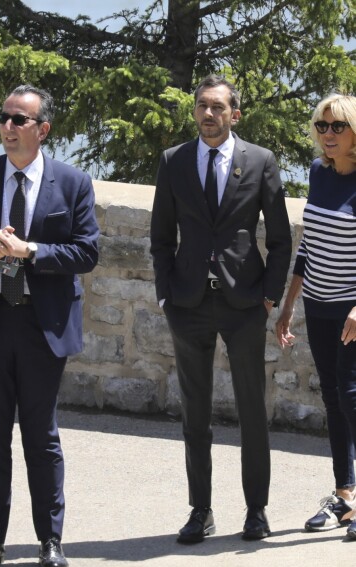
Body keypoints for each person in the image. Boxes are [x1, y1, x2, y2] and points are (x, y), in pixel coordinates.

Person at [0, 85, 99, 567]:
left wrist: (30, 251)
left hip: (42, 325)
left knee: (40, 437)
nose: (7, 128)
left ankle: (49, 541)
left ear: (42, 129)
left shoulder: (72, 183)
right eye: (3, 118)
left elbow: (86, 252)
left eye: (19, 120)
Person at [150, 74, 292, 543]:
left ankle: (256, 510)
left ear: (235, 114)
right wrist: (166, 293)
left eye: (217, 107)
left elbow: (279, 237)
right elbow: (160, 236)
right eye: (202, 106)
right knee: (195, 413)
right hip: (188, 303)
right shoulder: (174, 161)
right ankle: (200, 510)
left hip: (244, 302)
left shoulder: (260, 161)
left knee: (252, 409)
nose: (208, 115)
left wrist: (269, 296)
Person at [275, 94, 356, 539]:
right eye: (322, 126)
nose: (328, 135)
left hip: (351, 312)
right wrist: (289, 305)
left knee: (350, 394)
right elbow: (310, 245)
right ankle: (345, 496)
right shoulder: (317, 173)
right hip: (317, 306)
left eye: (338, 127)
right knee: (332, 397)